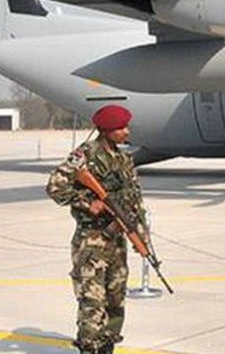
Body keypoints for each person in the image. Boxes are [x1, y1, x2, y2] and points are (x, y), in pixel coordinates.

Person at [46, 105, 147, 354]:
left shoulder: (123, 158)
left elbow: (134, 197)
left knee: (116, 297)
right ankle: (89, 348)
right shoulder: (84, 155)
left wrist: (139, 234)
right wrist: (87, 202)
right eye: (121, 128)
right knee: (92, 301)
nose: (126, 131)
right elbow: (55, 186)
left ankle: (107, 346)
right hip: (91, 241)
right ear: (106, 130)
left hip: (116, 239)